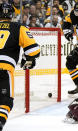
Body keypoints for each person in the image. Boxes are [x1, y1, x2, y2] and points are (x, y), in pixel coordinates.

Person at [0, 2, 40, 130]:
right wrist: (28, 59)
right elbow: (34, 50)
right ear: (11, 15)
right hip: (4, 70)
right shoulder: (19, 27)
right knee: (5, 101)